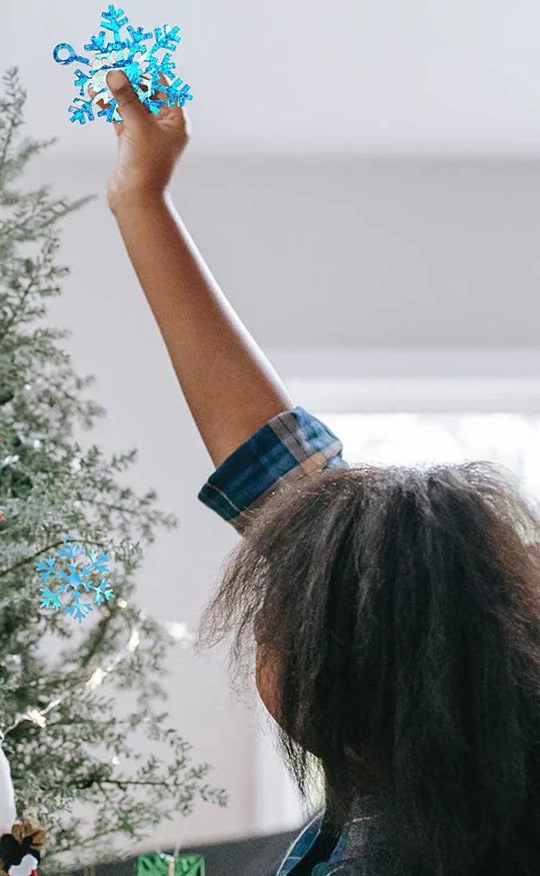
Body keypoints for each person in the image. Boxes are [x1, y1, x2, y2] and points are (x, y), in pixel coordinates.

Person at [96, 69, 540, 875]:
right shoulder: (451, 715)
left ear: (344, 684)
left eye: (276, 616)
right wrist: (142, 199)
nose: (262, 624)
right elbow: (277, 468)